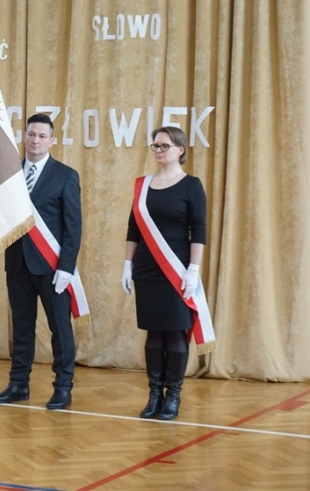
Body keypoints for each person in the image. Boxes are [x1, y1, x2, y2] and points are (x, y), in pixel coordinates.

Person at [0, 113, 82, 410]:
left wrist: (66, 267)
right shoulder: (10, 174)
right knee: (22, 327)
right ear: (24, 137)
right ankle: (19, 383)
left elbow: (73, 227)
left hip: (52, 268)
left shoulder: (65, 175)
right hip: (18, 264)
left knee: (60, 330)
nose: (36, 140)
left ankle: (63, 387)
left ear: (52, 140)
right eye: (31, 134)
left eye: (42, 136)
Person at [121, 126, 207, 421]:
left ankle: (173, 396)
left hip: (177, 269)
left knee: (175, 331)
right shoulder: (143, 185)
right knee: (154, 332)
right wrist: (127, 264)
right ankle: (154, 394)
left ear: (180, 150)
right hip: (146, 269)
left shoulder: (191, 185)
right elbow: (133, 228)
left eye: (164, 146)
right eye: (155, 146)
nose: (158, 150)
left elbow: (199, 231)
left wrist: (193, 269)